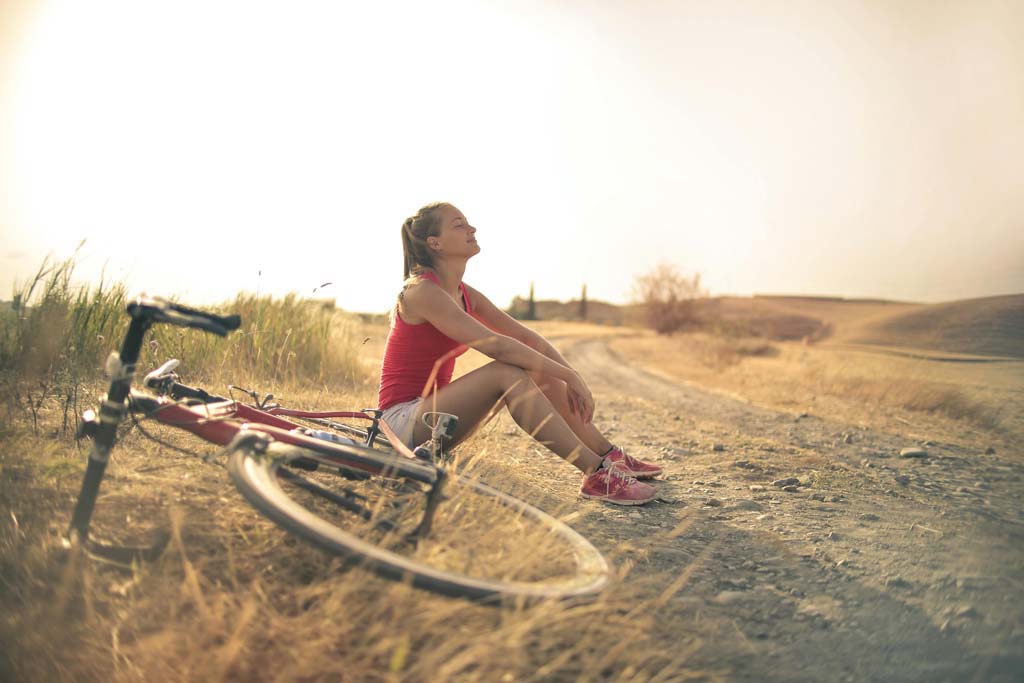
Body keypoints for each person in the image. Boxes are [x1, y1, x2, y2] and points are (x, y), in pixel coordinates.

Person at [377, 202, 661, 505]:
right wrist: (567, 375)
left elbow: (524, 336)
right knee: (507, 371)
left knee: (537, 366)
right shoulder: (421, 291)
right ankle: (596, 473)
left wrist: (570, 375)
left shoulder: (464, 293)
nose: (471, 229)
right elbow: (496, 344)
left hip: (436, 423)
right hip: (400, 425)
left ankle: (608, 455)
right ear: (434, 243)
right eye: (459, 224)